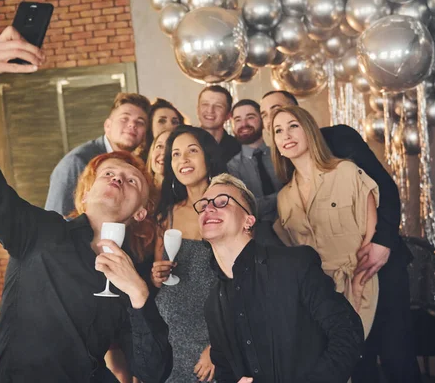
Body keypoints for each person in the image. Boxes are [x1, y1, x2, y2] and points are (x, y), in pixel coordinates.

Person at [0, 27, 172, 382]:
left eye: (132, 181)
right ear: (84, 194)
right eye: (109, 173)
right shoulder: (39, 231)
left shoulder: (132, 272)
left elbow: (152, 371)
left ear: (140, 212)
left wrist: (140, 293)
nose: (118, 179)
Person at [269, 104, 419, 383]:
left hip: (368, 279)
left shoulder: (347, 171)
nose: (286, 134)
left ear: (310, 130)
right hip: (327, 295)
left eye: (293, 126)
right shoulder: (283, 199)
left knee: (397, 363)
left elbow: (370, 238)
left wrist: (358, 288)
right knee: (354, 372)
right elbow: (299, 258)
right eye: (278, 130)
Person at [197, 173, 364, 382]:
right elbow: (225, 373)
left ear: (248, 221)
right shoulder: (214, 304)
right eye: (203, 205)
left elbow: (348, 333)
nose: (209, 208)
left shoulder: (294, 265)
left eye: (222, 202)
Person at [151, 125, 227, 382]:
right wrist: (156, 275)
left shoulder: (229, 207)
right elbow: (158, 279)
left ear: (208, 155)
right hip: (174, 333)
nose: (183, 159)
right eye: (175, 154)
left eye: (192, 151)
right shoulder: (166, 214)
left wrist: (217, 346)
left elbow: (245, 282)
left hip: (217, 334)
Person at [45, 91, 151, 217]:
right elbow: (55, 218)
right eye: (124, 118)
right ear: (107, 126)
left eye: (140, 122)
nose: (132, 125)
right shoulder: (78, 161)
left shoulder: (134, 167)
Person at [227, 99, 283, 223]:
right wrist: (285, 194)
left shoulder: (282, 155)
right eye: (238, 120)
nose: (244, 124)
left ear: (262, 121)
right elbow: (247, 207)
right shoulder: (231, 167)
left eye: (250, 117)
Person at [197, 85, 241, 164]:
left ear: (228, 115)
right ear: (197, 109)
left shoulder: (239, 148)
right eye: (205, 104)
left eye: (218, 106)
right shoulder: (186, 143)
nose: (210, 111)